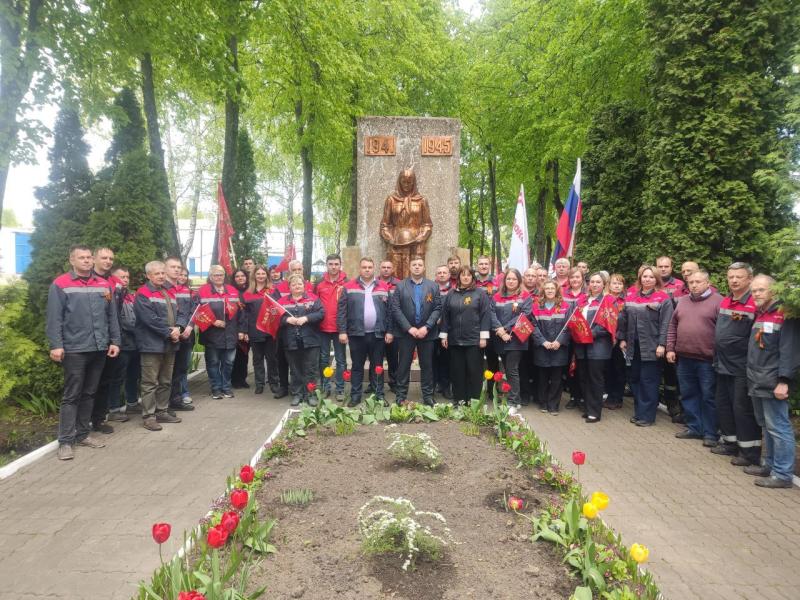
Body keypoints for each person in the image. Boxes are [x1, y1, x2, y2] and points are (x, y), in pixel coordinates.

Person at [47, 245, 121, 460]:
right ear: (72, 260)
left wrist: (115, 340)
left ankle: (82, 434)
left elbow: (111, 316)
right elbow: (55, 318)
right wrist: (56, 344)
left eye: (89, 257)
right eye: (82, 258)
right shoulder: (61, 284)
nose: (87, 261)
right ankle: (66, 441)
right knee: (72, 395)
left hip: (99, 348)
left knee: (89, 393)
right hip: (75, 349)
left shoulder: (104, 284)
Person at [743, 275, 799, 488]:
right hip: (757, 379)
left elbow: (790, 351)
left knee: (779, 427)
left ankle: (783, 474)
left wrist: (784, 381)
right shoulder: (761, 313)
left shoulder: (785, 315)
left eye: (761, 290)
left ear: (773, 291)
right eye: (754, 290)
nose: (756, 293)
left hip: (773, 381)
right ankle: (770, 465)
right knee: (766, 426)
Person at [666, 270, 722, 446]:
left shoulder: (718, 301)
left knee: (708, 396)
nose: (694, 285)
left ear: (707, 283)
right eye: (691, 282)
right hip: (684, 357)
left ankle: (710, 433)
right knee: (688, 394)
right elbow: (673, 326)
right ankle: (694, 427)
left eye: (698, 281)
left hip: (707, 359)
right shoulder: (682, 301)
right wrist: (670, 348)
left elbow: (723, 332)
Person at [713, 262, 761, 466]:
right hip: (722, 364)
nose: (733, 280)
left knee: (742, 409)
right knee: (723, 406)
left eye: (738, 277)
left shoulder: (754, 303)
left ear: (749, 279)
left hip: (741, 366)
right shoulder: (726, 301)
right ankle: (730, 442)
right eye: (731, 276)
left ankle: (748, 452)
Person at [618, 265, 674, 427]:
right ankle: (639, 412)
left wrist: (662, 344)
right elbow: (623, 319)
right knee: (634, 379)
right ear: (640, 278)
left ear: (656, 279)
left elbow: (666, 324)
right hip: (633, 347)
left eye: (651, 277)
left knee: (648, 381)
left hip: (651, 346)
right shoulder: (631, 296)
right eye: (644, 276)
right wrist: (622, 338)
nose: (647, 279)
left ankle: (647, 416)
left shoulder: (662, 298)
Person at [134, 261, 182, 431]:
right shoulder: (143, 293)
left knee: (166, 380)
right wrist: (170, 332)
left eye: (163, 273)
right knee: (149, 382)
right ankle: (148, 416)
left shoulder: (168, 292)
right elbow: (149, 320)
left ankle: (162, 411)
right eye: (157, 273)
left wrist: (178, 329)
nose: (161, 276)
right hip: (151, 345)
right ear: (148, 275)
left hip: (169, 344)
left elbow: (179, 314)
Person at [337, 258, 392, 406]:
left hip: (378, 334)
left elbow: (390, 312)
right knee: (357, 366)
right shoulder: (348, 287)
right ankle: (355, 396)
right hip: (356, 334)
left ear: (374, 269)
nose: (367, 269)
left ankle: (379, 395)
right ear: (359, 269)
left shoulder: (383, 286)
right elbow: (341, 311)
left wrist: (390, 331)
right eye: (364, 267)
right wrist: (342, 331)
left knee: (378, 366)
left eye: (369, 267)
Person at [391, 256, 442, 406]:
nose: (417, 267)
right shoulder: (400, 286)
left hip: (427, 333)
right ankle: (400, 396)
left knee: (427, 365)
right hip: (406, 334)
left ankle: (427, 396)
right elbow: (396, 309)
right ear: (410, 267)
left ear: (424, 268)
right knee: (404, 365)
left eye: (420, 264)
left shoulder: (433, 286)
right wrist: (409, 328)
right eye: (414, 264)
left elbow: (438, 308)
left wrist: (426, 327)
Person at [439, 266, 490, 404]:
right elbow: (445, 315)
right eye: (463, 275)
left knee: (474, 372)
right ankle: (459, 400)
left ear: (473, 277)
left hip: (474, 340)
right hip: (455, 339)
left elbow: (485, 315)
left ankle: (474, 401)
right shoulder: (451, 294)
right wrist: (444, 335)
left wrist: (483, 337)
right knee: (457, 372)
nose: (465, 277)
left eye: (469, 275)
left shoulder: (480, 294)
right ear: (459, 277)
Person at [90, 246, 125, 434]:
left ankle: (99, 419)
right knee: (87, 384)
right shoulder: (88, 281)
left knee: (105, 381)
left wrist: (116, 340)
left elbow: (115, 315)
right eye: (104, 257)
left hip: (110, 341)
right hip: (89, 341)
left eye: (111, 258)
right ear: (94, 259)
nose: (108, 261)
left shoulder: (114, 284)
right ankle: (84, 420)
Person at [198, 265, 245, 399]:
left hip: (230, 334)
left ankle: (226, 387)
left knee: (229, 363)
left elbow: (241, 312)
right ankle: (216, 388)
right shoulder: (203, 291)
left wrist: (242, 330)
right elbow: (196, 312)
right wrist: (213, 321)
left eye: (221, 275)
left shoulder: (232, 290)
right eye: (215, 275)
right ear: (210, 276)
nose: (219, 277)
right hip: (212, 335)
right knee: (213, 363)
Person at [279, 274, 324, 406]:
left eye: (299, 284)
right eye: (294, 285)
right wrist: (287, 319)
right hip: (291, 341)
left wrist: (306, 318)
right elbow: (277, 318)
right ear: (289, 287)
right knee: (295, 369)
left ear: (304, 286)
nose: (297, 286)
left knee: (311, 369)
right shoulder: (282, 302)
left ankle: (311, 394)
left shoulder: (313, 299)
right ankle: (297, 394)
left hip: (311, 340)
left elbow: (321, 313)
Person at [490, 268, 533, 407]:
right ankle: (513, 398)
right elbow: (491, 314)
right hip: (500, 338)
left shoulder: (525, 296)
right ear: (504, 280)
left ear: (519, 281)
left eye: (514, 279)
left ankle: (514, 401)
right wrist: (501, 331)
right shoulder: (496, 296)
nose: (511, 281)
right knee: (508, 370)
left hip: (516, 340)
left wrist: (506, 329)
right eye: (508, 279)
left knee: (512, 370)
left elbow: (524, 315)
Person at [574, 273, 613, 423]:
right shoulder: (582, 300)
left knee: (595, 379)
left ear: (604, 284)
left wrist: (590, 334)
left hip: (598, 347)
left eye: (598, 282)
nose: (595, 284)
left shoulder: (608, 301)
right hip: (581, 345)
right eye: (592, 282)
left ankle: (595, 412)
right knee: (583, 377)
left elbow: (609, 324)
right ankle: (589, 408)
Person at [380, 168, 433, 279]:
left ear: (414, 183)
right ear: (399, 182)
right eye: (403, 182)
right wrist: (389, 238)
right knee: (395, 277)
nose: (406, 185)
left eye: (409, 182)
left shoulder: (422, 200)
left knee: (416, 277)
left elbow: (427, 224)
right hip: (396, 244)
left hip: (416, 244)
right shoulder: (391, 200)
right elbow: (384, 225)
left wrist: (422, 236)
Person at [532, 280, 572, 415]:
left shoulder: (566, 306)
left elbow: (569, 327)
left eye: (552, 288)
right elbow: (533, 327)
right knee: (542, 378)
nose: (549, 290)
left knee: (556, 378)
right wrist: (542, 341)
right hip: (542, 348)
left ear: (557, 290)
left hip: (558, 348)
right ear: (543, 291)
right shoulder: (536, 306)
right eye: (547, 288)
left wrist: (559, 341)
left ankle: (553, 405)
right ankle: (543, 403)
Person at [106, 266, 138, 422]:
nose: (125, 279)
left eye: (127, 277)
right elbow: (118, 319)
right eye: (122, 277)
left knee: (133, 375)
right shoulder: (113, 294)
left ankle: (132, 403)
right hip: (122, 343)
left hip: (134, 342)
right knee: (117, 377)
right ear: (113, 277)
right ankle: (113, 408)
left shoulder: (130, 296)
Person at [656, 255, 686, 421]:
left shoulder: (680, 286)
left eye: (666, 266)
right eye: (660, 266)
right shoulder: (652, 283)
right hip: (656, 334)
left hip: (674, 334)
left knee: (672, 374)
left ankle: (674, 406)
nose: (663, 269)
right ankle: (661, 401)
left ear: (671, 267)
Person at [164, 256, 196, 413]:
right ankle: (164, 404)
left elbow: (192, 310)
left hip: (185, 335)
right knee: (167, 371)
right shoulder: (161, 288)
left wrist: (189, 326)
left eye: (179, 267)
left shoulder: (185, 290)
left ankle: (176, 399)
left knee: (181, 369)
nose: (177, 270)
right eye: (173, 267)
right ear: (165, 268)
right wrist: (174, 330)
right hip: (169, 336)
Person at [315, 254, 348, 400]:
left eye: (336, 264)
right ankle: (325, 386)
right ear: (326, 265)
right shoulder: (319, 283)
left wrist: (345, 329)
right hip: (322, 328)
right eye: (330, 264)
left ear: (340, 265)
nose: (333, 267)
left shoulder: (347, 282)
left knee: (341, 360)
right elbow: (314, 304)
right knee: (323, 359)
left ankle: (340, 389)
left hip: (340, 329)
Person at [242, 265, 279, 395]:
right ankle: (259, 384)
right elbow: (244, 314)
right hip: (254, 330)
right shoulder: (247, 293)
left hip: (270, 331)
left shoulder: (273, 291)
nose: (261, 276)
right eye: (258, 274)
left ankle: (274, 383)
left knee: (272, 358)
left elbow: (279, 308)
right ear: (254, 276)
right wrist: (244, 331)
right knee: (257, 359)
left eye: (263, 273)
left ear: (267, 275)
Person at [563, 267, 587, 410]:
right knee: (568, 368)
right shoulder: (563, 294)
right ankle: (573, 396)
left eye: (577, 277)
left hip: (581, 336)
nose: (575, 280)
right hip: (566, 336)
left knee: (581, 368)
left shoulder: (587, 295)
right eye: (572, 277)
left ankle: (583, 397)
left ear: (582, 279)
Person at [604, 274, 627, 410]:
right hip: (606, 339)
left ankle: (617, 397)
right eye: (614, 283)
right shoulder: (605, 299)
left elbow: (627, 322)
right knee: (608, 369)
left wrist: (621, 338)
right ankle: (609, 395)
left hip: (620, 341)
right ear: (609, 285)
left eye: (620, 283)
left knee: (619, 369)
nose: (617, 286)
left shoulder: (626, 301)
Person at [378, 259, 402, 394]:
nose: (386, 269)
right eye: (383, 267)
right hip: (378, 327)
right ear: (379, 269)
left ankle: (394, 382)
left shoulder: (399, 284)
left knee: (393, 357)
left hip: (395, 328)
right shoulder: (374, 283)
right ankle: (374, 382)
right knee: (376, 358)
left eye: (388, 267)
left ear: (392, 269)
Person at [433, 264, 453, 399]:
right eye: (439, 272)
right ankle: (433, 386)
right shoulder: (430, 288)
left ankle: (446, 387)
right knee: (433, 359)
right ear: (436, 275)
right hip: (432, 329)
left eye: (444, 272)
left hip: (449, 330)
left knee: (446, 359)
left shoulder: (454, 290)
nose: (441, 274)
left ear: (449, 275)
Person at [230, 268, 250, 389]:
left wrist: (246, 330)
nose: (240, 278)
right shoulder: (231, 291)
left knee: (245, 355)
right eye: (237, 276)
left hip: (248, 327)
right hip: (235, 327)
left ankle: (243, 379)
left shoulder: (250, 291)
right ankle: (234, 379)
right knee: (235, 355)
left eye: (242, 276)